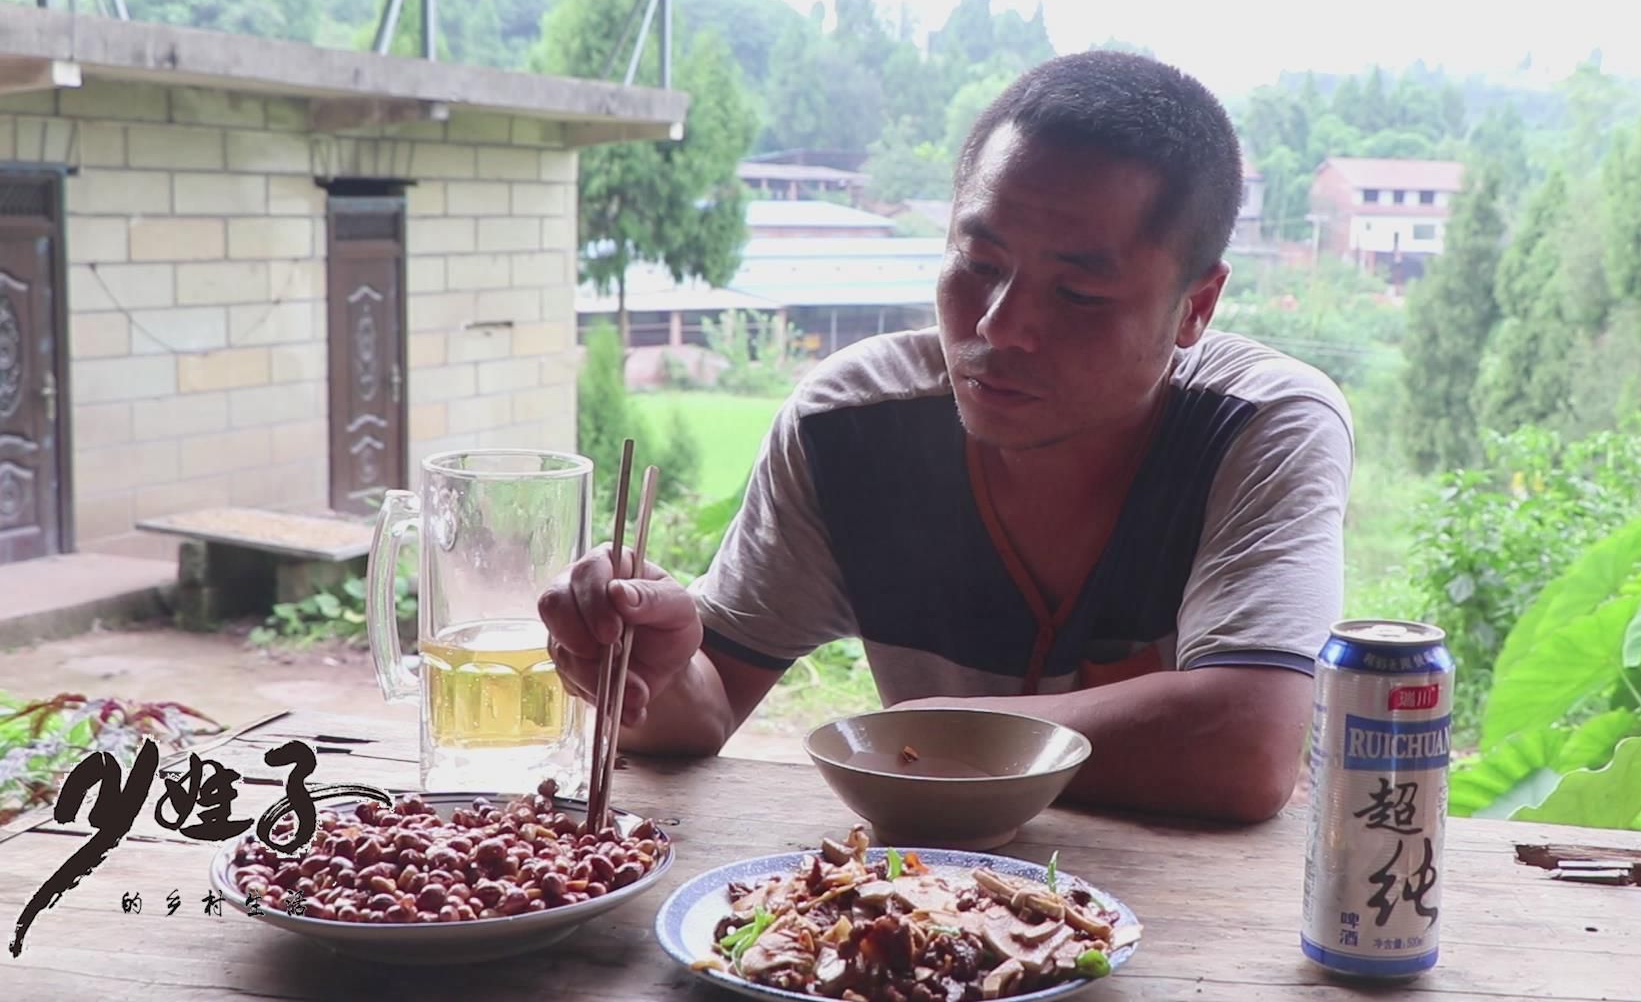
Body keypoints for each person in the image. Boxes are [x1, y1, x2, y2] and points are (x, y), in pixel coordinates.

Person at [541, 51, 1353, 823]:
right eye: (980, 261)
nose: (1001, 328)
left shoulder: (1259, 428)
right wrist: (655, 667)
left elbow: (1247, 744)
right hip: (931, 922)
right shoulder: (849, 427)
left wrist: (929, 730)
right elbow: (706, 705)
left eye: (1076, 293)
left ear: (1197, 308)